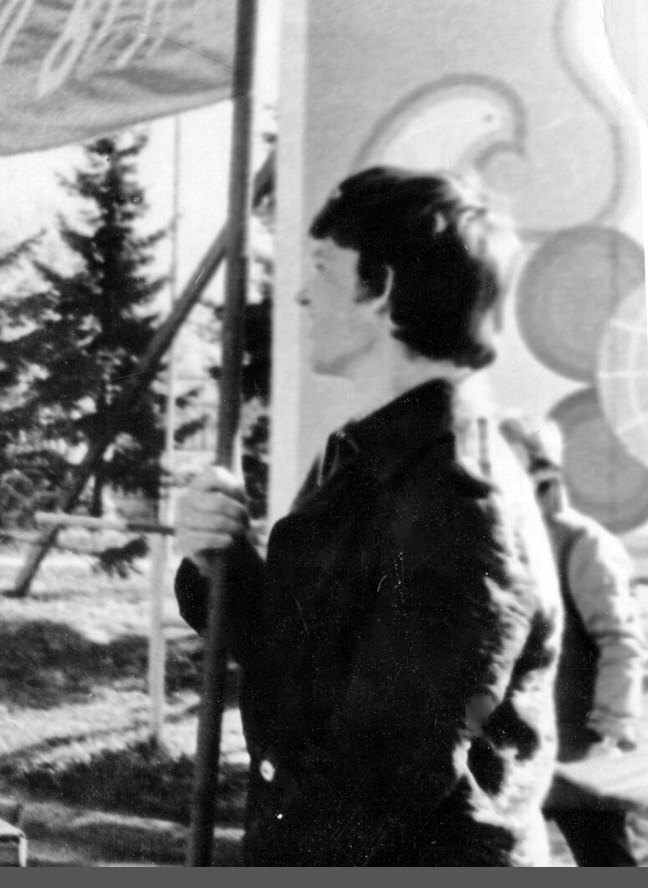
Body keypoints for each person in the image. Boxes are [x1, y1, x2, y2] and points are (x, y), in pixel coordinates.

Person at [173, 166, 563, 865]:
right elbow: (298, 660)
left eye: (323, 267)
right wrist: (218, 558)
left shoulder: (459, 503)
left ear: (380, 287)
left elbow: (380, 776)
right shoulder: (375, 459)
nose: (301, 293)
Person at [500, 414, 645, 866]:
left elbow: (621, 644)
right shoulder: (500, 540)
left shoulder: (582, 544)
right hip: (512, 748)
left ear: (542, 470)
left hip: (576, 750)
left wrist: (612, 729)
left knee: (604, 860)